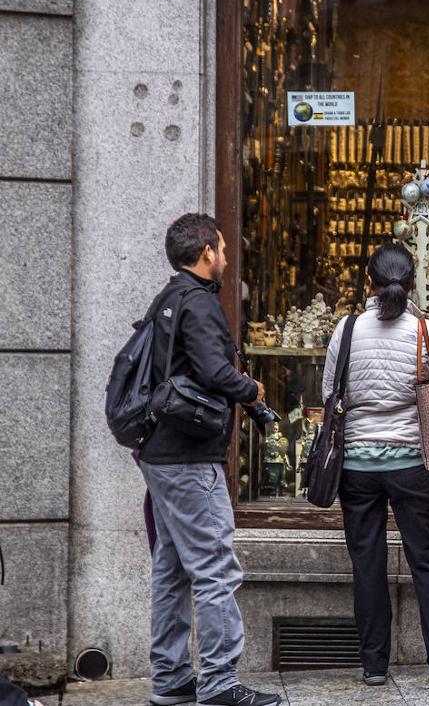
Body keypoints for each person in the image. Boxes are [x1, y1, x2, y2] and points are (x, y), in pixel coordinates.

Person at [140, 214, 279, 706]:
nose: (224, 257)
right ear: (205, 254)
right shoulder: (198, 303)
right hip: (189, 457)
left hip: (161, 453)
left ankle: (172, 677)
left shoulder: (167, 298)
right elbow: (215, 370)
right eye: (221, 249)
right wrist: (251, 388)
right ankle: (219, 682)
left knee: (173, 567)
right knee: (217, 567)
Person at [322, 243, 429, 687]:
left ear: (370, 282)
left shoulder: (346, 331)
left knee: (366, 562)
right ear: (412, 280)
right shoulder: (425, 332)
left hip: (357, 467)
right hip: (413, 463)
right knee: (427, 560)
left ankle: (374, 664)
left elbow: (330, 394)